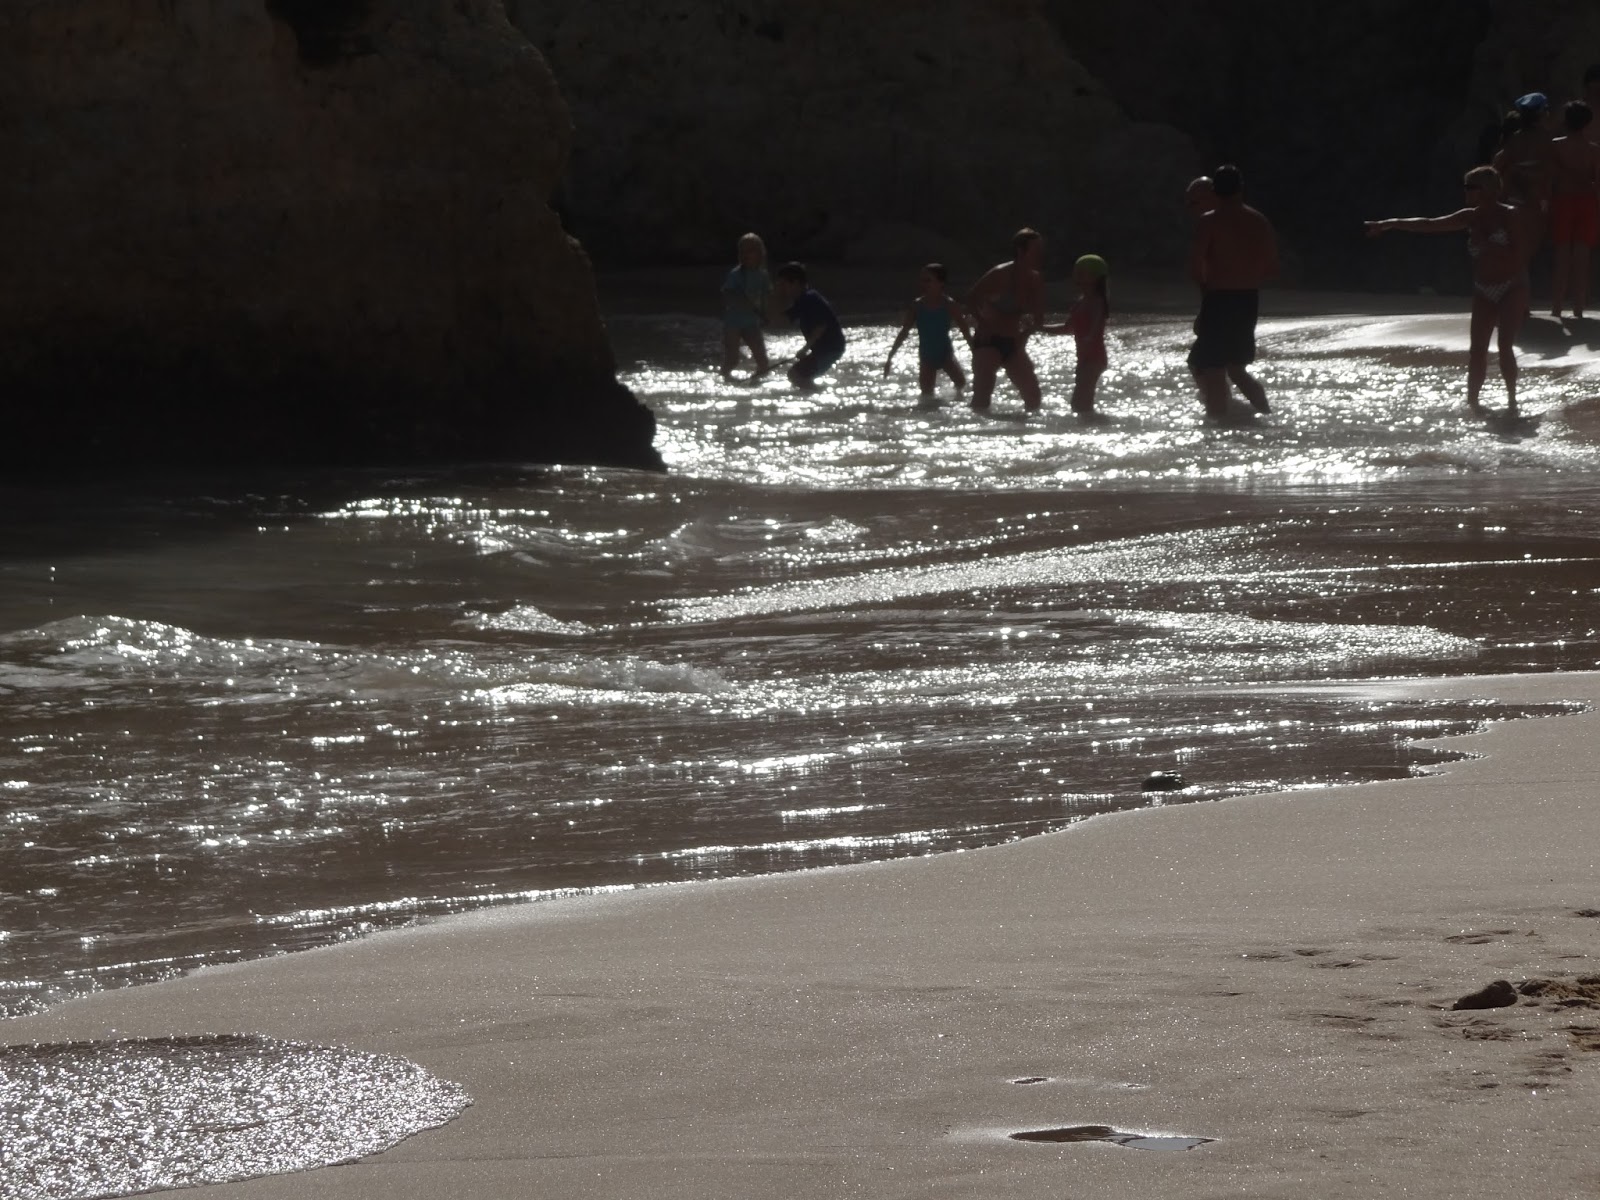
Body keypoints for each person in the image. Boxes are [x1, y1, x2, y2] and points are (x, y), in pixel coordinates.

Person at [1365, 165, 1529, 417]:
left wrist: (1487, 245)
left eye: (1470, 187)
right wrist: (1389, 224)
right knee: (1477, 350)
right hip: (1483, 288)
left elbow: (1520, 255)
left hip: (1511, 287)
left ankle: (1512, 402)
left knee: (1505, 345)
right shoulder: (1470, 217)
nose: (1466, 192)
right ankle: (1472, 404)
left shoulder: (1511, 215)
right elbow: (1430, 224)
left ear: (1487, 190)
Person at [1187, 164, 1278, 417]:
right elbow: (1272, 267)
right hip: (1248, 299)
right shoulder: (1259, 221)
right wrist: (1246, 277)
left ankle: (1218, 427)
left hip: (1219, 298)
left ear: (1215, 191)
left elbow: (1195, 267)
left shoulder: (1209, 222)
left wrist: (1208, 295)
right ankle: (1267, 417)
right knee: (1237, 369)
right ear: (1241, 189)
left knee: (1211, 367)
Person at [966, 228, 1048, 412]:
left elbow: (1039, 319)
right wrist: (983, 323)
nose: (1040, 254)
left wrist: (1024, 335)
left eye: (1041, 249)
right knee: (982, 397)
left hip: (1013, 342)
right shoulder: (1000, 274)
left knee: (1033, 396)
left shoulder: (1035, 280)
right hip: (988, 341)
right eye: (1036, 249)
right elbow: (970, 299)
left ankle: (1026, 429)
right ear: (1020, 251)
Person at [883, 263, 973, 400]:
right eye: (922, 280)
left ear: (941, 283)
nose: (923, 284)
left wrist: (975, 352)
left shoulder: (949, 304)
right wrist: (890, 356)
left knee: (961, 384)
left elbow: (964, 330)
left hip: (946, 354)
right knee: (926, 396)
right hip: (926, 357)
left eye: (928, 280)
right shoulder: (917, 306)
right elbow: (904, 332)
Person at [1546, 100, 1600, 319]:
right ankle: (1578, 308)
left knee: (1562, 256)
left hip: (1563, 200)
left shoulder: (1556, 146)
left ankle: (1557, 307)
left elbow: (1549, 178)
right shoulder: (1594, 150)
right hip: (1587, 201)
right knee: (1582, 257)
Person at [1041, 254, 1110, 416]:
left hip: (1095, 357)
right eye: (1076, 271)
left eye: (1081, 272)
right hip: (1083, 357)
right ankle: (1092, 425)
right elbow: (1067, 328)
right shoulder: (1081, 302)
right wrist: (1039, 328)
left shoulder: (1098, 301)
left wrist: (1089, 337)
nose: (1076, 275)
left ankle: (1094, 426)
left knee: (1081, 402)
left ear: (1095, 277)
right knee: (1079, 403)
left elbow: (1097, 322)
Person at [773, 262, 846, 389]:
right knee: (797, 375)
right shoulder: (801, 301)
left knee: (796, 375)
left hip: (830, 348)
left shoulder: (810, 299)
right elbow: (780, 321)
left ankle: (819, 393)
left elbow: (821, 327)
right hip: (827, 348)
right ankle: (816, 391)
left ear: (795, 283)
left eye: (783, 284)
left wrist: (805, 349)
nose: (782, 289)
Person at [720, 232, 773, 379]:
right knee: (732, 360)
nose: (745, 255)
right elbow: (727, 293)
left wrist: (766, 314)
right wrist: (740, 300)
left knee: (763, 362)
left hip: (752, 322)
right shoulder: (735, 275)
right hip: (733, 323)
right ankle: (724, 378)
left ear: (759, 253)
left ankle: (755, 383)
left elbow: (767, 297)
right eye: (742, 251)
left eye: (750, 251)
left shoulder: (762, 275)